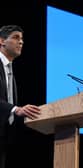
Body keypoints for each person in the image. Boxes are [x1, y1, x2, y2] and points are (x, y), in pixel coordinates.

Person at [0, 25, 41, 168]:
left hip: (4, 138)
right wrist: (16, 109)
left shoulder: (10, 69)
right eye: (16, 38)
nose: (21, 42)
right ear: (2, 41)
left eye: (22, 39)